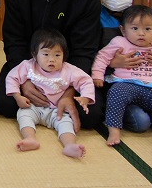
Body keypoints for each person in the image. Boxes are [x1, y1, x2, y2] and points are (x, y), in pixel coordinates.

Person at [0, 0, 103, 130]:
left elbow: (85, 48)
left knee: (91, 117)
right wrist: (25, 82)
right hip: (28, 66)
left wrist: (68, 91)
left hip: (69, 69)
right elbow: (14, 42)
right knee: (5, 105)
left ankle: (57, 103)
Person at [92, 5, 152, 152]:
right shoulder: (119, 41)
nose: (141, 33)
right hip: (126, 84)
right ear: (123, 30)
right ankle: (114, 131)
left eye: (147, 29)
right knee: (116, 93)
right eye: (135, 28)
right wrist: (97, 75)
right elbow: (102, 57)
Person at [97, 0, 152, 132]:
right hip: (115, 86)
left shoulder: (142, 16)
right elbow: (92, 56)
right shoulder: (96, 18)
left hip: (147, 84)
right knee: (141, 122)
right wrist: (113, 63)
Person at [6, 29, 94, 159]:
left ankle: (69, 145)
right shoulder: (28, 66)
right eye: (46, 54)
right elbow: (12, 77)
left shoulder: (69, 70)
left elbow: (86, 80)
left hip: (57, 110)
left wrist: (85, 97)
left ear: (64, 55)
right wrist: (17, 96)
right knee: (23, 115)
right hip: (33, 106)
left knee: (66, 123)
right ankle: (30, 138)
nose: (51, 60)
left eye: (57, 55)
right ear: (35, 55)